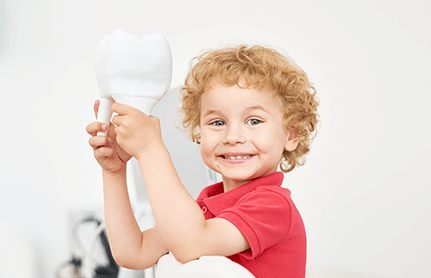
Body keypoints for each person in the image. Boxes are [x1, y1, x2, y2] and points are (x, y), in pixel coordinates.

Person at [86, 44, 319, 278]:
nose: (233, 137)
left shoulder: (274, 207)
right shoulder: (205, 209)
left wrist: (150, 149)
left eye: (254, 121)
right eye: (217, 122)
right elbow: (134, 252)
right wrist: (115, 172)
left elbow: (192, 243)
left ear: (291, 135)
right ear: (199, 132)